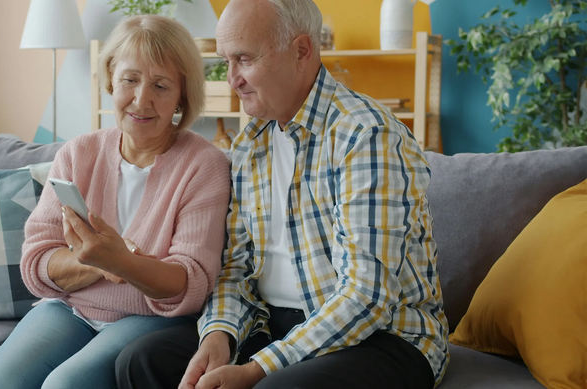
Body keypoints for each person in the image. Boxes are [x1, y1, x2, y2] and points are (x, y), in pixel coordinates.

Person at [115, 1, 450, 388]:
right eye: (227, 61)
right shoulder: (249, 145)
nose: (232, 79)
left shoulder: (366, 136)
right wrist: (218, 336)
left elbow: (366, 296)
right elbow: (234, 270)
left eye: (244, 59)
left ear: (302, 51)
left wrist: (257, 369)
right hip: (271, 323)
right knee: (142, 361)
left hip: (383, 336)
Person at [0, 15, 231, 389]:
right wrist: (104, 260)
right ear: (112, 78)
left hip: (148, 316)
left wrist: (119, 260)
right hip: (70, 309)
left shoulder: (204, 165)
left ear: (182, 95)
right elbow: (36, 262)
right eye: (130, 79)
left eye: (160, 85)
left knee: (65, 385)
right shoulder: (78, 153)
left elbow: (191, 284)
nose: (141, 99)